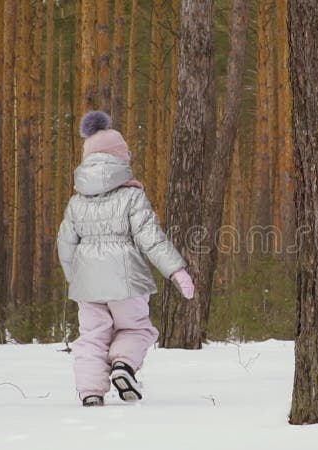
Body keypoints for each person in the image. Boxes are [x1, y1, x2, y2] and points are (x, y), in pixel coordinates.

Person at [57, 111, 195, 406]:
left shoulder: (76, 201)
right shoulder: (132, 197)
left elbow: (65, 245)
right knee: (136, 328)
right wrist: (176, 271)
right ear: (121, 158)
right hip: (127, 279)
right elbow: (151, 238)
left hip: (88, 283)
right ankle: (124, 365)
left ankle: (91, 392)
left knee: (92, 336)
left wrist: (75, 278)